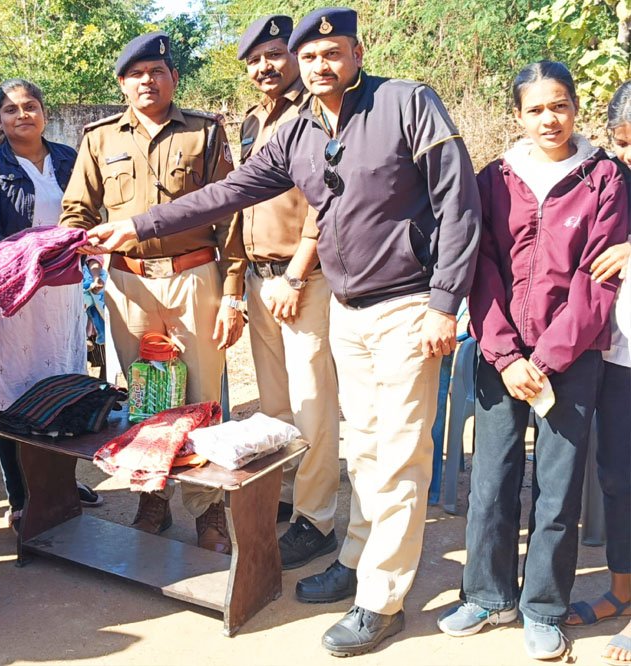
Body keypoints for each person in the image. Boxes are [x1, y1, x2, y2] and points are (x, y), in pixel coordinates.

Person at [87, 8, 481, 656]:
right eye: (311, 56)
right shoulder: (298, 130)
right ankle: (355, 560)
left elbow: (458, 202)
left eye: (333, 53)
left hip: (408, 306)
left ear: (357, 53)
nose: (321, 65)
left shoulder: (406, 103)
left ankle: (381, 600)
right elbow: (229, 193)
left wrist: (445, 302)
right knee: (367, 451)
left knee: (400, 456)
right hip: (349, 310)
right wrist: (139, 225)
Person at [436, 61, 628, 661]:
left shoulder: (604, 178)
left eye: (560, 105)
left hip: (572, 357)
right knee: (491, 480)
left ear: (576, 109)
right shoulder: (494, 179)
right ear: (517, 115)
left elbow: (598, 280)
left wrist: (546, 358)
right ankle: (487, 595)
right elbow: (480, 268)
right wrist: (505, 354)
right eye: (537, 108)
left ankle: (544, 607)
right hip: (502, 359)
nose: (550, 118)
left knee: (557, 488)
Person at [60, 31, 247, 555]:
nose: (147, 81)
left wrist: (233, 293)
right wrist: (81, 244)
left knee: (203, 399)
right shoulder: (99, 139)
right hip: (128, 283)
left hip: (195, 278)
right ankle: (153, 499)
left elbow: (230, 214)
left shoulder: (205, 132)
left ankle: (208, 510)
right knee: (146, 397)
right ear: (122, 84)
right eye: (136, 74)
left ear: (174, 79)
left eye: (157, 72)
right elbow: (77, 210)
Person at [232, 15, 341, 570]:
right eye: (254, 60)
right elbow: (243, 201)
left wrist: (297, 272)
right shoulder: (254, 120)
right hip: (260, 278)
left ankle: (316, 518)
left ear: (295, 56)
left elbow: (329, 199)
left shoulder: (318, 113)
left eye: (274, 55)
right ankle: (286, 494)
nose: (264, 67)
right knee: (275, 404)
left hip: (303, 280)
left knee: (313, 403)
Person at [0, 78, 101, 528]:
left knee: (65, 384)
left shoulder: (68, 158)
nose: (22, 115)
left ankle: (61, 486)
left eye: (30, 106)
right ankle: (22, 496)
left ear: (44, 112)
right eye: (11, 109)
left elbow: (87, 215)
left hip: (64, 291)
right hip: (15, 297)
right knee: (16, 392)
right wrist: (33, 256)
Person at [563, 80, 631, 666]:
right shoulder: (610, 177)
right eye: (622, 141)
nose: (629, 153)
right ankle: (622, 591)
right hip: (614, 354)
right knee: (616, 476)